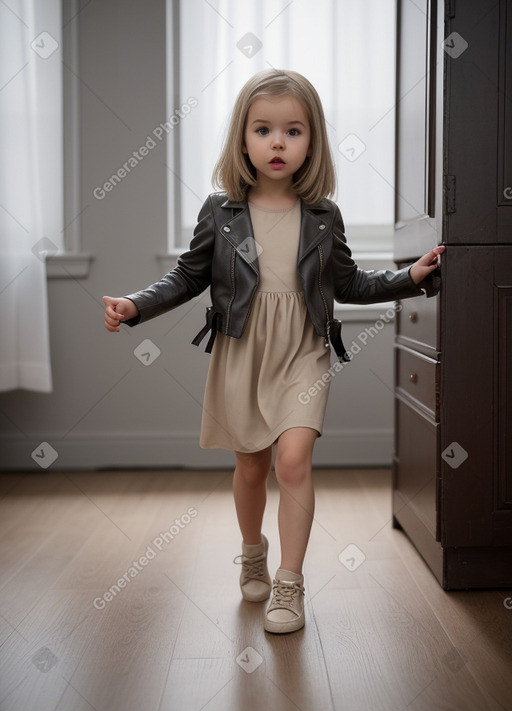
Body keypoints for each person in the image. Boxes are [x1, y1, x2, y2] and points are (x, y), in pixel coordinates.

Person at [103, 69, 444, 634]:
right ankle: (252, 550)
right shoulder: (222, 211)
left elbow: (350, 284)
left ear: (313, 142)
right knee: (251, 464)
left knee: (292, 462)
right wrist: (137, 305)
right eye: (263, 130)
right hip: (242, 351)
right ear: (243, 139)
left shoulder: (322, 215)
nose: (278, 142)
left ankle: (290, 583)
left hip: (302, 352)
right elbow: (188, 277)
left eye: (293, 131)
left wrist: (410, 276)